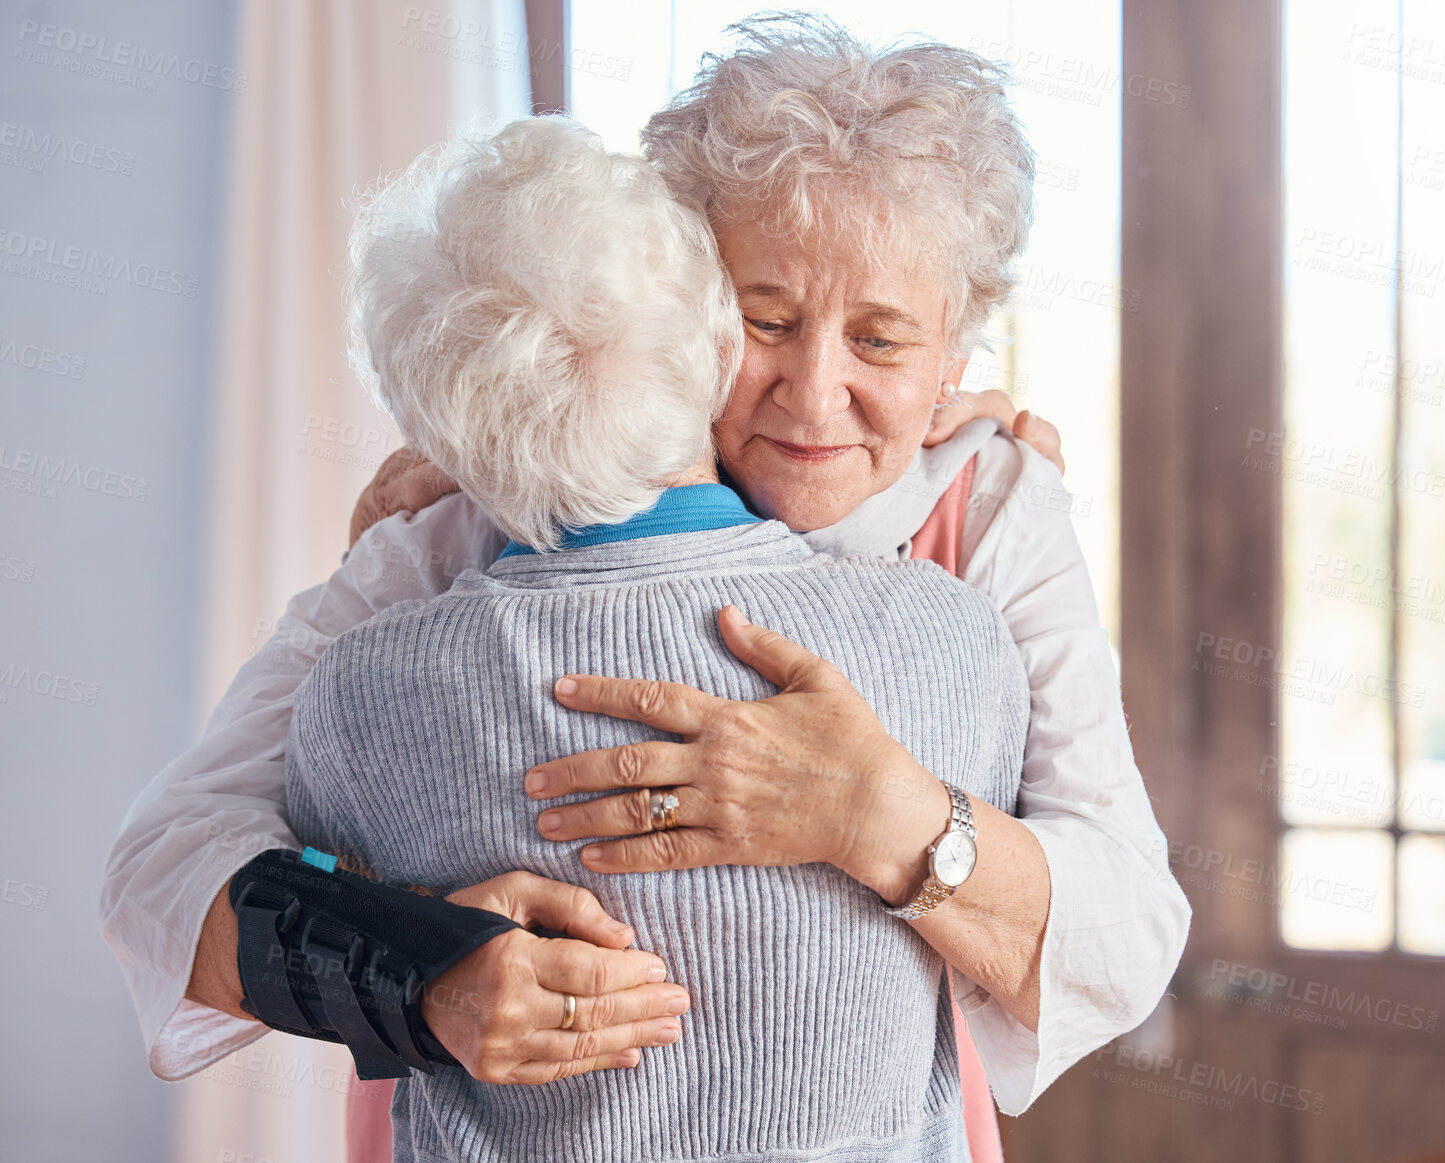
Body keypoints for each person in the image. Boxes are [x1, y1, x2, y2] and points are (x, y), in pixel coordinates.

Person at [100, 10, 1190, 1145]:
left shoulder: (994, 510)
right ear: (684, 303)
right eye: (765, 321)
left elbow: (1125, 935)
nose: (812, 397)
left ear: (956, 356)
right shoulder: (468, 516)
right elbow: (160, 868)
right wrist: (415, 967)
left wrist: (879, 811)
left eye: (880, 343)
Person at [284, 113, 1031, 1161]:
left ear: (444, 429)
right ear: (713, 340)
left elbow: (296, 886)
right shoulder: (951, 633)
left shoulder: (362, 688)